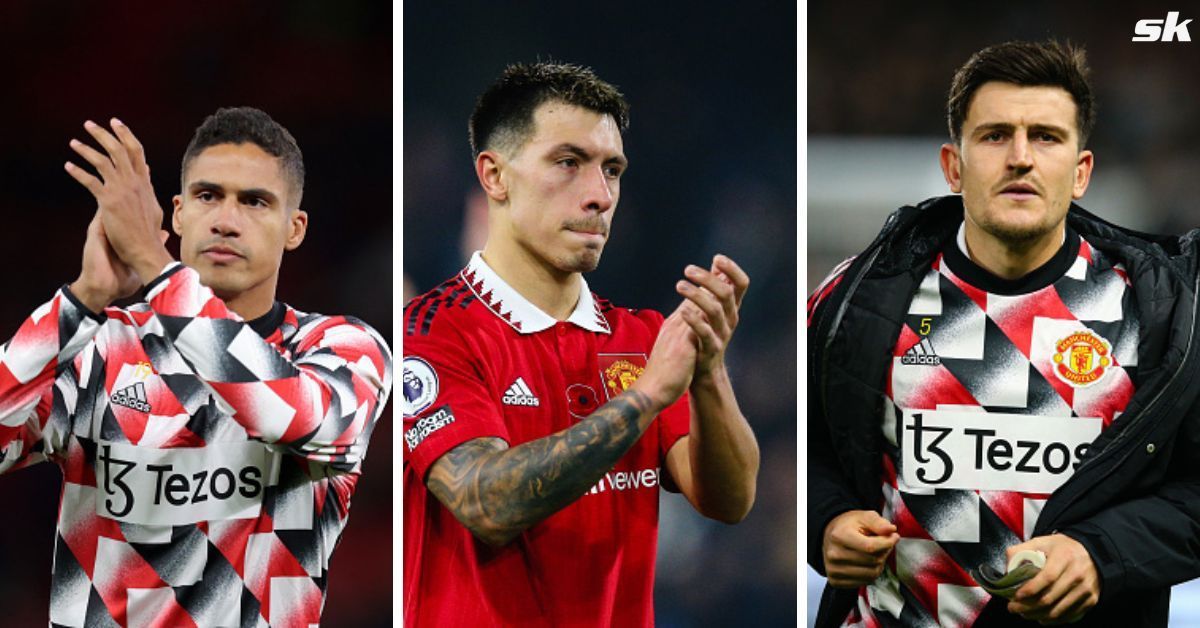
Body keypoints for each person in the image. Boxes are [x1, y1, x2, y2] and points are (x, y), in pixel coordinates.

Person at [808, 40, 1200, 627]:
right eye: (995, 135)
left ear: (1081, 171)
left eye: (1046, 136)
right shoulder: (858, 298)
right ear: (953, 166)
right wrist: (829, 522)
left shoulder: (1159, 316)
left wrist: (1103, 554)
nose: (1020, 157)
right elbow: (806, 452)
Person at [0, 107, 392, 626]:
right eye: (209, 196)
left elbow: (293, 418)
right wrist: (82, 297)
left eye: (254, 202)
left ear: (294, 228)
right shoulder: (104, 345)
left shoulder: (343, 348)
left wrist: (158, 272)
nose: (226, 220)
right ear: (179, 214)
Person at [402, 61, 760, 627]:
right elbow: (485, 503)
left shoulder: (640, 338)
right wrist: (643, 400)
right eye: (568, 163)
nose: (599, 195)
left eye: (612, 170)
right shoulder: (430, 331)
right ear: (494, 176)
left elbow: (730, 500)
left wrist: (711, 371)